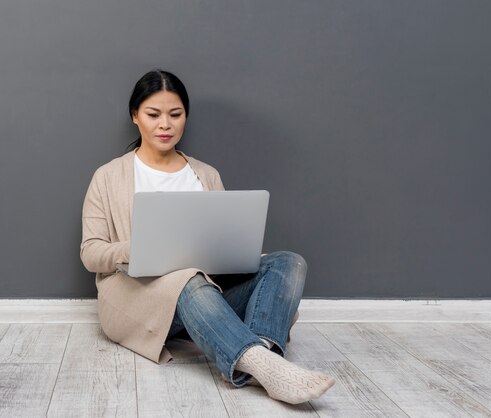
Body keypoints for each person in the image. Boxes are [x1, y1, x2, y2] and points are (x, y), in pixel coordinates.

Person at [80, 69, 335, 404]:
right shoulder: (109, 176)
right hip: (139, 297)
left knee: (289, 262)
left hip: (207, 296)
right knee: (186, 277)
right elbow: (90, 252)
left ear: (186, 116)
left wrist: (233, 252)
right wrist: (141, 247)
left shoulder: (205, 174)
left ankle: (262, 358)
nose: (165, 125)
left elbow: (223, 238)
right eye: (153, 115)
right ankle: (265, 365)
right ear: (135, 116)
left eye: (175, 114)